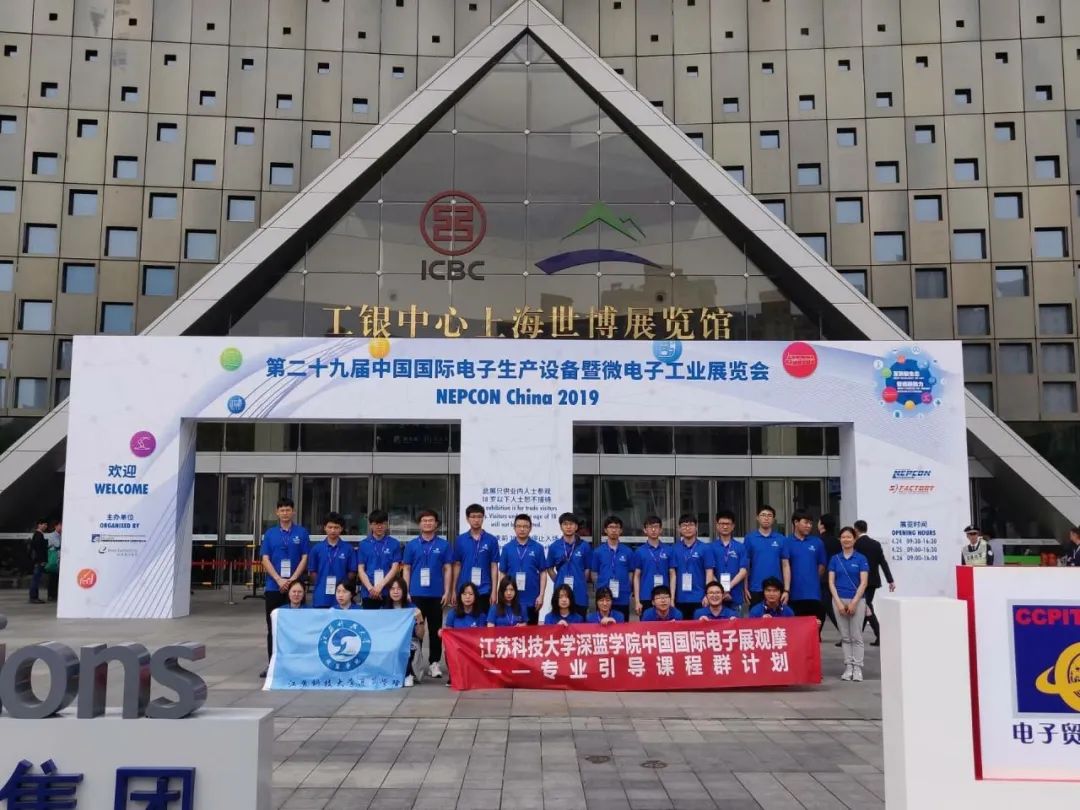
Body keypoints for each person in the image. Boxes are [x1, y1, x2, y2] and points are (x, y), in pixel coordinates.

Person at [259, 498, 310, 677]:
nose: (285, 513)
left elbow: (305, 557)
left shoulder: (301, 532)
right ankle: (272, 664)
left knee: (297, 626)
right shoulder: (270, 534)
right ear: (277, 512)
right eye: (282, 510)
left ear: (293, 512)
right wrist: (279, 579)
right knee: (273, 626)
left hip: (296, 588)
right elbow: (265, 558)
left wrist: (293, 580)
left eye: (288, 510)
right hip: (274, 586)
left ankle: (297, 663)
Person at [402, 509, 451, 679]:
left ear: (436, 524)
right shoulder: (412, 545)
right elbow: (406, 569)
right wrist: (406, 591)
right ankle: (417, 663)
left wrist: (447, 591)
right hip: (416, 594)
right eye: (424, 520)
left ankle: (434, 662)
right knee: (417, 630)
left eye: (431, 520)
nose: (428, 523)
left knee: (436, 630)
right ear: (419, 524)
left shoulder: (444, 545)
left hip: (436, 594)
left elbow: (448, 568)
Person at [828, 526, 869, 682]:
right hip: (839, 600)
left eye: (849, 537)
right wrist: (838, 602)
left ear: (854, 539)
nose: (846, 540)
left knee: (856, 636)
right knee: (845, 636)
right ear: (840, 539)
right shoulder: (835, 559)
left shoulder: (861, 559)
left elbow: (863, 583)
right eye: (843, 537)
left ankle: (857, 667)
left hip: (857, 600)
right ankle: (848, 667)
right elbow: (831, 583)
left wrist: (854, 602)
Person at [497, 514, 547, 625]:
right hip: (511, 599)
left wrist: (541, 595)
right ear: (514, 527)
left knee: (532, 631)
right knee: (512, 631)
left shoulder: (538, 548)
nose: (522, 529)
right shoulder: (507, 548)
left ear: (530, 528)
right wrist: (502, 594)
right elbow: (502, 573)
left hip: (532, 599)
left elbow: (543, 572)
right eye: (519, 526)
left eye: (525, 526)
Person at [451, 504, 500, 615]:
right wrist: (453, 590)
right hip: (464, 590)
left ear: (483, 518)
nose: (476, 520)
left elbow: (494, 566)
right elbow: (457, 565)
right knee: (464, 622)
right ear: (467, 519)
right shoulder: (460, 540)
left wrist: (494, 591)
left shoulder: (491, 540)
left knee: (483, 622)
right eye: (473, 517)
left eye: (479, 516)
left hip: (484, 589)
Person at [854, 519, 896, 647]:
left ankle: (879, 635)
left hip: (859, 581)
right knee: (865, 606)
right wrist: (890, 580)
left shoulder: (855, 544)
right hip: (873, 581)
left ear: (856, 529)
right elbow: (883, 562)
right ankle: (857, 637)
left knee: (865, 607)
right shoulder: (876, 544)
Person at [546, 512, 592, 617]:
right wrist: (558, 580)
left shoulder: (584, 546)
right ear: (561, 527)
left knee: (580, 623)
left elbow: (587, 569)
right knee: (560, 624)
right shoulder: (554, 546)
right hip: (560, 594)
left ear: (576, 527)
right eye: (565, 524)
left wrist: (580, 580)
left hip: (579, 594)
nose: (568, 527)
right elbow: (549, 568)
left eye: (571, 524)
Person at [307, 512, 357, 609]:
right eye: (330, 527)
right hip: (321, 596)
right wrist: (321, 582)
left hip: (342, 596)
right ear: (324, 528)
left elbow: (352, 572)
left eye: (336, 527)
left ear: (341, 529)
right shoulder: (316, 548)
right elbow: (312, 572)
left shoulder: (348, 549)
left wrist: (342, 583)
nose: (333, 530)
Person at [441, 581, 485, 688]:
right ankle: (453, 675)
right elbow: (448, 635)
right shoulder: (452, 614)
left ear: (475, 597)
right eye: (464, 594)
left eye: (470, 594)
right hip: (458, 649)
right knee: (448, 649)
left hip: (474, 649)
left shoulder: (481, 615)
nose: (467, 597)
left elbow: (483, 637)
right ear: (460, 596)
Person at [669, 514, 714, 619]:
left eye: (690, 525)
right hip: (680, 598)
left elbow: (709, 573)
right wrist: (672, 598)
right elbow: (672, 575)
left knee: (699, 627)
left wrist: (707, 595)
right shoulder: (674, 549)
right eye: (684, 525)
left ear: (696, 527)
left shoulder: (705, 548)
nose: (687, 528)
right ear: (679, 529)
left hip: (700, 598)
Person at [785, 511, 826, 623]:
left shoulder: (817, 542)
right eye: (806, 522)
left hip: (814, 594)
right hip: (793, 595)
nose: (809, 526)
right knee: (796, 629)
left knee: (814, 628)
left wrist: (812, 578)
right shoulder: (786, 542)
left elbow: (822, 566)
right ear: (796, 522)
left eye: (811, 523)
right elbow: (784, 566)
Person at [745, 505, 790, 607]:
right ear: (757, 518)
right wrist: (745, 587)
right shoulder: (750, 538)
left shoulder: (781, 539)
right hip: (755, 587)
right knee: (756, 616)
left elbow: (785, 565)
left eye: (769, 516)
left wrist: (786, 590)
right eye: (763, 515)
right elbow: (746, 565)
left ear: (773, 519)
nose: (766, 518)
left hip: (776, 588)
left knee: (777, 617)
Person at [357, 509, 401, 610]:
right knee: (370, 619)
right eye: (376, 524)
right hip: (368, 592)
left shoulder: (394, 543)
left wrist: (380, 586)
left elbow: (395, 568)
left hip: (388, 590)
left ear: (387, 524)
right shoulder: (363, 544)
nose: (379, 527)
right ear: (370, 525)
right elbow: (361, 569)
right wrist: (371, 589)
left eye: (383, 523)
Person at [385, 574, 424, 687]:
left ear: (404, 591)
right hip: (390, 641)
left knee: (407, 647)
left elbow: (420, 636)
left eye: (399, 589)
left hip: (409, 642)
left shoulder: (412, 608)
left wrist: (420, 620)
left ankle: (408, 674)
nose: (395, 592)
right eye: (392, 589)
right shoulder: (384, 609)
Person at [591, 516, 634, 618]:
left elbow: (631, 573)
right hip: (603, 597)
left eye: (617, 527)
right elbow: (594, 573)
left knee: (622, 623)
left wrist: (626, 586)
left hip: (622, 595)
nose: (614, 530)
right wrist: (600, 587)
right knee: (602, 624)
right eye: (611, 527)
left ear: (621, 530)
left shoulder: (628, 551)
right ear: (605, 530)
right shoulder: (598, 551)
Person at [633, 515, 672, 615]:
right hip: (646, 596)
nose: (653, 530)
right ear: (645, 530)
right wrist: (637, 601)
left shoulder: (669, 550)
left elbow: (673, 575)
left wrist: (672, 598)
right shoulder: (639, 551)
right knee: (646, 623)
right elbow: (636, 576)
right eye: (650, 527)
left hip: (664, 596)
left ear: (661, 529)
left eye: (656, 527)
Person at [711, 510, 748, 615]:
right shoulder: (710, 547)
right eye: (722, 524)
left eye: (728, 524)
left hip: (735, 595)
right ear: (717, 526)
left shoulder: (740, 547)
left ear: (733, 526)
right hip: (715, 596)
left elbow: (743, 571)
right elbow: (709, 572)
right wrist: (720, 590)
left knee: (736, 622)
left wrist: (728, 587)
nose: (725, 526)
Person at [817, 514, 841, 637]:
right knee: (823, 606)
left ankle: (845, 633)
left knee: (827, 606)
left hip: (822, 578)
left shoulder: (818, 541)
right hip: (835, 576)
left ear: (822, 525)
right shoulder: (837, 541)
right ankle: (816, 634)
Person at [27, 519, 48, 604]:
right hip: (38, 561)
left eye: (46, 525)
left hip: (37, 561)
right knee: (35, 579)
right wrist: (42, 560)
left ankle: (34, 597)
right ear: (39, 525)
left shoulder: (38, 534)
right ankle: (33, 597)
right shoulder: (38, 535)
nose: (45, 526)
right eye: (44, 524)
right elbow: (38, 550)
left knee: (36, 579)